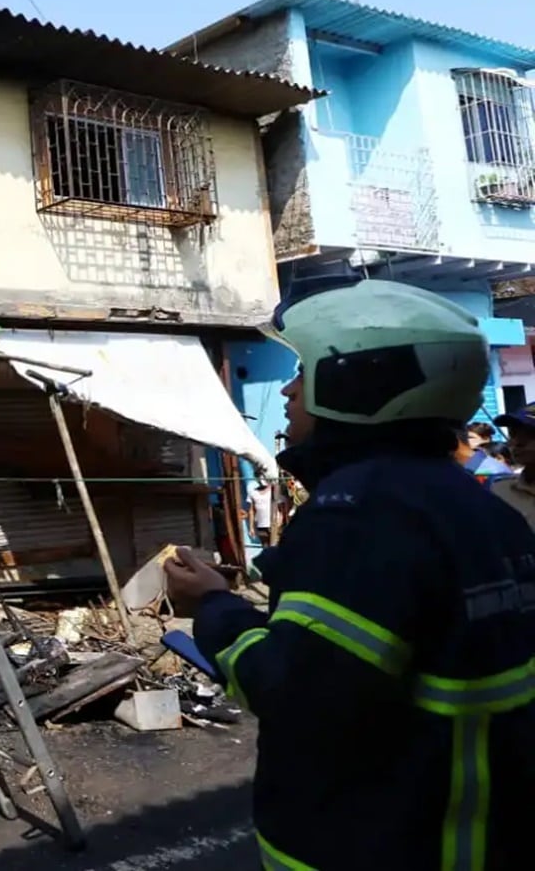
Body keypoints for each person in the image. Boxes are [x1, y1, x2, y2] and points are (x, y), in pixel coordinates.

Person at [164, 277, 535, 870]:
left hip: (374, 843)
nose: (287, 392)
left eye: (304, 372)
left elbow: (295, 693)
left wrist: (212, 605)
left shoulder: (360, 518)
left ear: (358, 382)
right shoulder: (480, 509)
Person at [488, 402, 535, 528]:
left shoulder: (483, 462)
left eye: (531, 434)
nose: (516, 442)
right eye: (513, 433)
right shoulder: (499, 491)